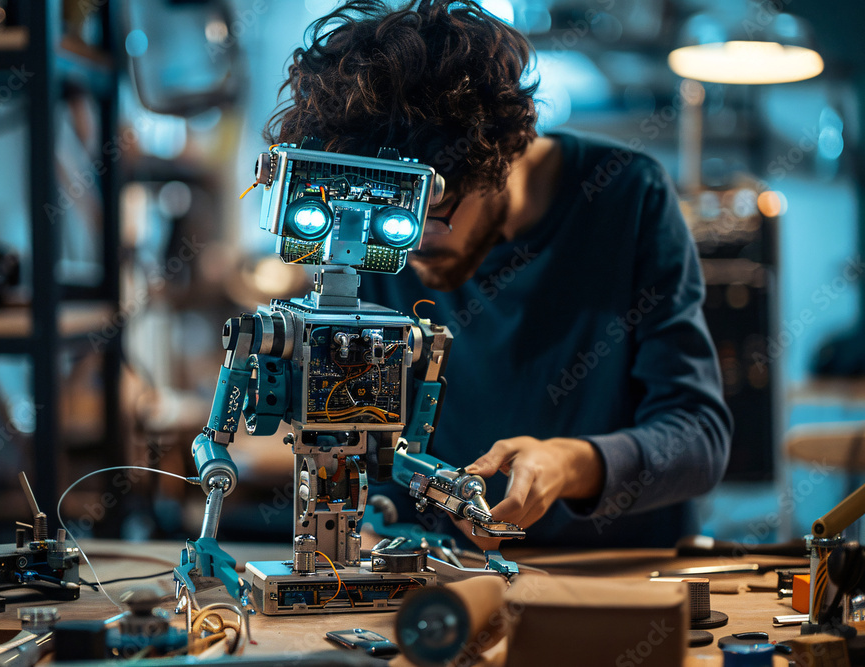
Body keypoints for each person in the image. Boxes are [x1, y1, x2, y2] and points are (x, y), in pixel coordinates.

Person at [265, 0, 732, 547]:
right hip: (446, 586)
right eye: (391, 221)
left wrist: (571, 463)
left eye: (429, 214)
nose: (408, 247)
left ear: (499, 159)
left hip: (614, 582)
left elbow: (700, 438)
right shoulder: (369, 241)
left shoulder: (627, 198)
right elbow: (370, 443)